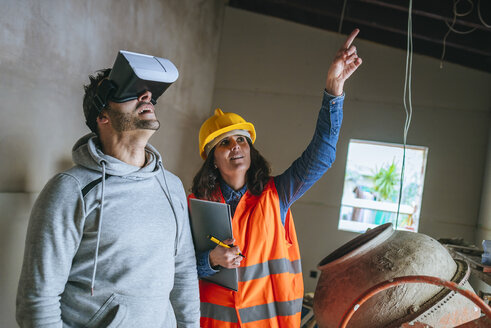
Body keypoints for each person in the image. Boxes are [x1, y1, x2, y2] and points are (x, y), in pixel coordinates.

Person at [189, 29, 363, 327]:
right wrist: (212, 260)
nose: (235, 147)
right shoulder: (195, 205)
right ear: (212, 160)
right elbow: (176, 266)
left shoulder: (277, 194)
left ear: (251, 149)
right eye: (224, 143)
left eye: (241, 140)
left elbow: (322, 155)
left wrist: (333, 90)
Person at [16, 66, 200, 327]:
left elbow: (183, 273)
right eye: (130, 92)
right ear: (103, 115)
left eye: (148, 93)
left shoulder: (171, 186)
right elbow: (37, 299)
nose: (147, 96)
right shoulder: (70, 189)